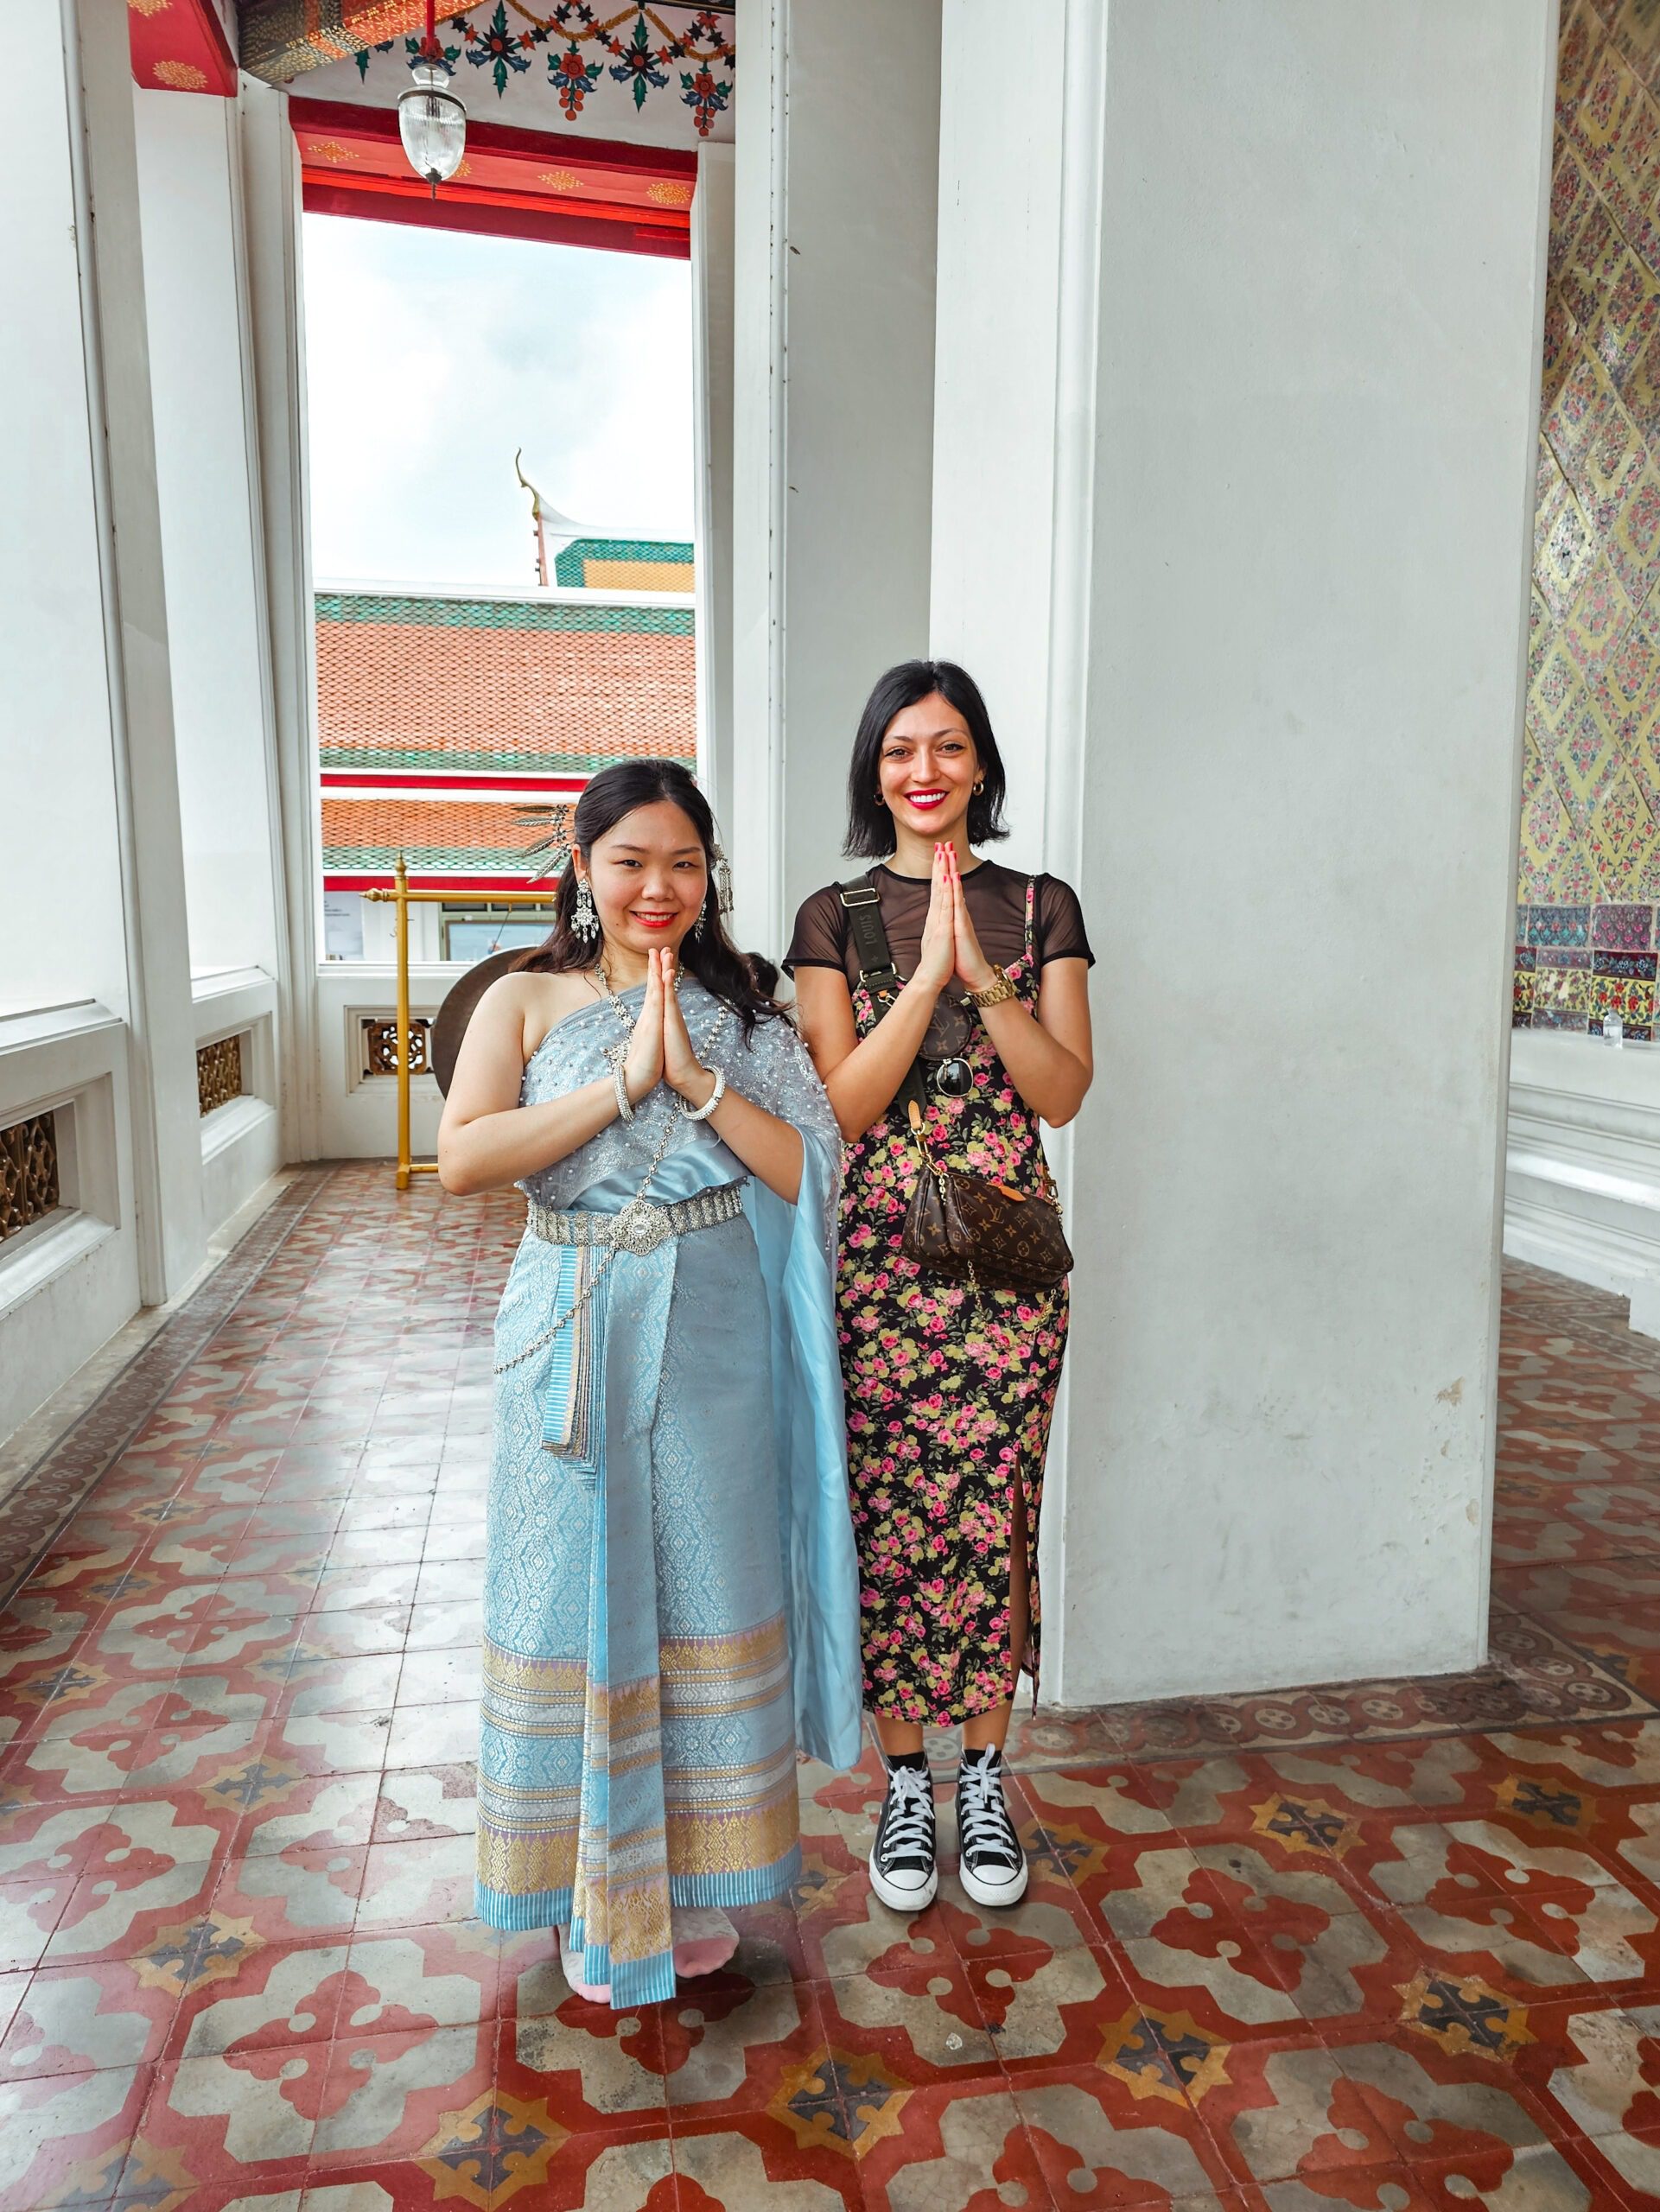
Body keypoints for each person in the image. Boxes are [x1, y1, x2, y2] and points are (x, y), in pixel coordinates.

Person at [439, 759, 862, 2007]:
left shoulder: (745, 1010)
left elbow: (804, 1166)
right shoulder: (525, 1001)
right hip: (569, 1315)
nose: (657, 887)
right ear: (582, 866)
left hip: (714, 1324)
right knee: (569, 1586)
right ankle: (587, 1886)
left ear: (708, 874)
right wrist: (619, 1086)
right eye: (629, 861)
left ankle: (679, 1885)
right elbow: (464, 1160)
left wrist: (696, 1083)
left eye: (683, 862)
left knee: (699, 1584)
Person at [785, 661, 1094, 1915]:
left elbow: (1061, 1092)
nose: (925, 771)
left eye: (949, 748)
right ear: (875, 769)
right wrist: (921, 979)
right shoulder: (833, 917)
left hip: (1009, 1258)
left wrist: (984, 979)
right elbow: (844, 1108)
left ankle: (983, 1780)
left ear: (980, 768)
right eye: (902, 749)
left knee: (992, 1507)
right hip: (880, 1268)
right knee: (892, 1516)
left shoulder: (1041, 905)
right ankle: (906, 1784)